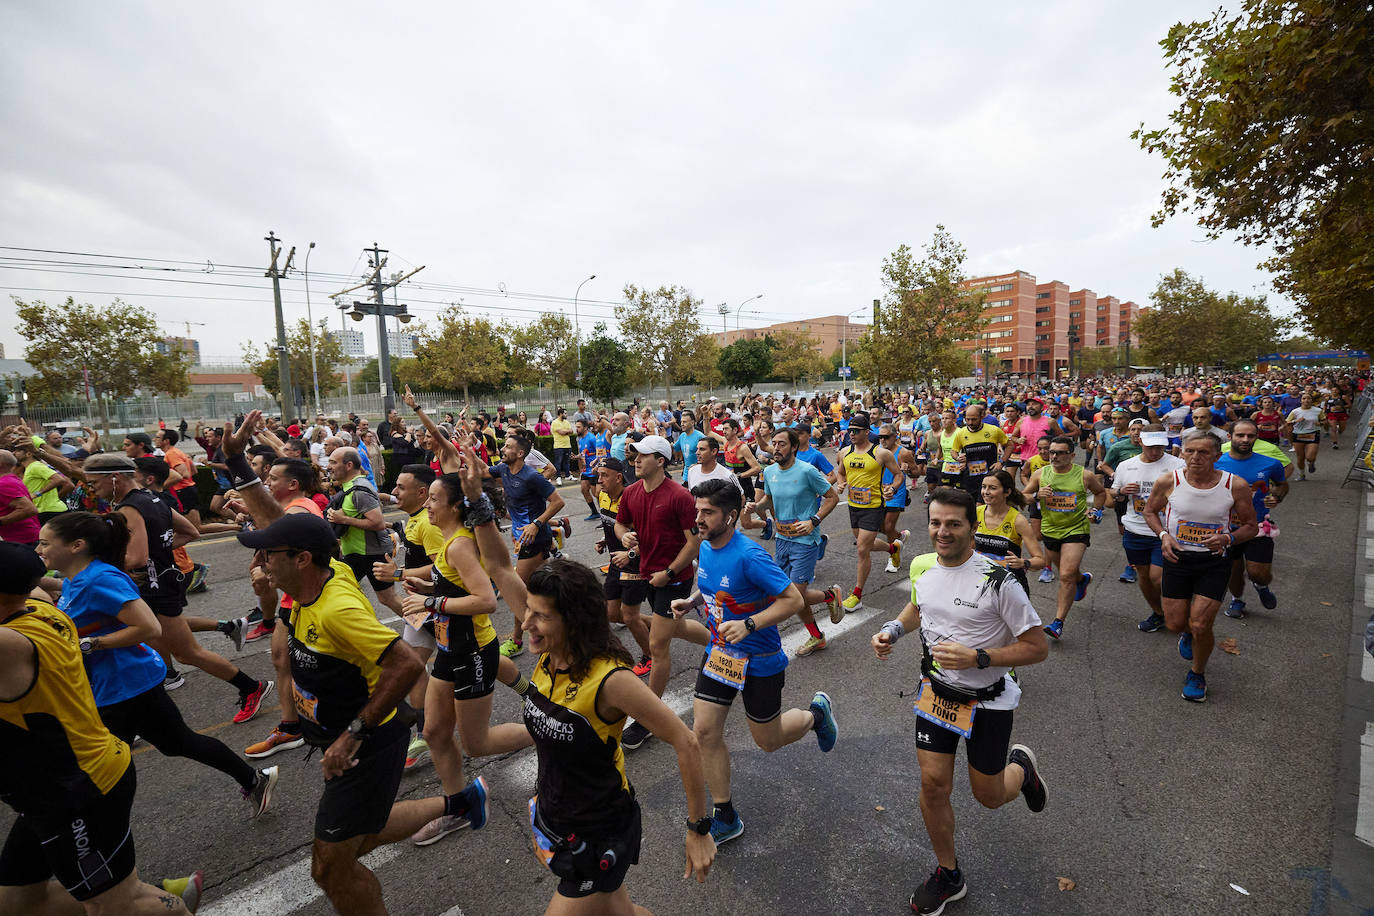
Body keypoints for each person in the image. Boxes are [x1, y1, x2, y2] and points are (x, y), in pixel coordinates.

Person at [870, 488, 1049, 915]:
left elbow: (1037, 647)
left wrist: (980, 657)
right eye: (935, 523)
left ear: (972, 526)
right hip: (935, 693)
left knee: (987, 796)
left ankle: (1021, 771)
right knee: (933, 785)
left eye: (953, 524)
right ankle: (948, 874)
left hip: (988, 701)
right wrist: (892, 631)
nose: (942, 532)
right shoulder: (925, 569)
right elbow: (920, 607)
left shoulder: (998, 580)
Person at [0, 543, 200, 915]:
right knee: (15, 901)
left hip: (78, 789)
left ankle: (161, 906)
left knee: (113, 904)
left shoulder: (10, 645)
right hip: (47, 792)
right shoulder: (40, 607)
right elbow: (34, 583)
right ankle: (157, 903)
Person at [37, 511, 278, 816]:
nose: (39, 549)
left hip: (125, 685)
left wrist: (89, 644)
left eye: (45, 543)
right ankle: (254, 779)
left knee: (101, 763)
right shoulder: (75, 578)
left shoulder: (99, 579)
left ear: (76, 545)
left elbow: (149, 628)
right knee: (176, 743)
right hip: (113, 684)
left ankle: (95, 833)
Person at [521, 559, 715, 913]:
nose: (525, 625)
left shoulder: (612, 681)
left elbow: (685, 740)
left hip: (599, 831)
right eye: (527, 611)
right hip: (559, 820)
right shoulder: (550, 657)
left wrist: (698, 830)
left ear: (574, 620)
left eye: (540, 616)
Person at [672, 479, 839, 846]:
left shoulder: (751, 555)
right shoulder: (706, 545)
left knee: (769, 740)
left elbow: (793, 600)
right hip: (720, 654)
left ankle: (816, 716)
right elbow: (718, 586)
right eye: (697, 510)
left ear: (731, 516)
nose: (698, 518)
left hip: (760, 659)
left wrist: (750, 624)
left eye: (707, 512)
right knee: (704, 733)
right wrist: (693, 600)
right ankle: (726, 815)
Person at [83, 453, 272, 719]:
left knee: (187, 653)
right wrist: (157, 548)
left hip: (154, 586)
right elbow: (191, 532)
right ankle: (142, 712)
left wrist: (93, 563)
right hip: (161, 581)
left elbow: (136, 558)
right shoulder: (153, 497)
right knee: (147, 644)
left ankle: (251, 687)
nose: (92, 489)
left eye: (93, 483)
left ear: (114, 478)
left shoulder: (129, 508)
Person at [399, 472, 534, 846]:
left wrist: (432, 601)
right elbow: (456, 584)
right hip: (449, 648)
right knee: (435, 732)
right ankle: (461, 806)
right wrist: (429, 587)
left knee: (475, 743)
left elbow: (488, 600)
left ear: (455, 506)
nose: (427, 504)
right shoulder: (446, 542)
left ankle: (554, 732)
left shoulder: (459, 544)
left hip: (473, 651)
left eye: (434, 500)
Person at [1143, 431, 1258, 702]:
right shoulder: (1169, 480)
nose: (1195, 457)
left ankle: (1197, 673)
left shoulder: (1235, 485)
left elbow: (1252, 526)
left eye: (1204, 452)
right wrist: (1163, 536)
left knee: (1201, 624)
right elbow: (1150, 511)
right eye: (1190, 451)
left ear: (1218, 456)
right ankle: (1186, 634)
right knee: (1175, 623)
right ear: (1181, 453)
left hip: (1214, 562)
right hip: (1177, 559)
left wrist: (1228, 538)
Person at [615, 436, 711, 751]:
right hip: (646, 572)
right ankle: (720, 642)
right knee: (674, 627)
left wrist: (668, 572)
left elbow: (693, 542)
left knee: (658, 645)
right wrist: (625, 536)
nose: (636, 459)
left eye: (643, 455)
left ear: (661, 461)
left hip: (674, 577)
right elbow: (620, 525)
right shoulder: (630, 492)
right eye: (634, 455)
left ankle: (648, 721)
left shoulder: (680, 497)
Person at [746, 427, 843, 657]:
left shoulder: (807, 471)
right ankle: (818, 634)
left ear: (794, 447)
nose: (776, 448)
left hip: (805, 540)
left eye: (782, 444)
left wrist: (814, 521)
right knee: (787, 594)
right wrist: (755, 507)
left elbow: (832, 497)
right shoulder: (769, 472)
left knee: (794, 597)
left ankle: (829, 598)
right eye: (775, 444)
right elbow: (769, 499)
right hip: (782, 539)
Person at [487, 431, 568, 658]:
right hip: (522, 540)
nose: (503, 449)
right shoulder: (503, 469)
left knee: (517, 592)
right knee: (541, 589)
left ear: (520, 453)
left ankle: (518, 640)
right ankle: (571, 619)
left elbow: (557, 501)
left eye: (509, 446)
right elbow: (482, 471)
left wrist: (536, 523)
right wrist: (465, 449)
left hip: (536, 539)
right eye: (504, 445)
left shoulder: (532, 476)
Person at [1021, 436, 1108, 641]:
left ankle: (1058, 622)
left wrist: (1095, 510)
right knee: (1069, 574)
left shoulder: (1084, 475)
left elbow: (1100, 492)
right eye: (1052, 452)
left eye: (1060, 452)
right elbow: (1022, 497)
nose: (1054, 456)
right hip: (1051, 529)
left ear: (1071, 455)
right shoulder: (1041, 474)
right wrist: (1036, 496)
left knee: (1066, 575)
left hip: (1076, 529)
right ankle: (1082, 579)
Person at [1109, 429, 1186, 634]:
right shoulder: (1126, 466)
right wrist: (1120, 492)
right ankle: (1158, 613)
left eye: (1160, 446)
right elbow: (1112, 496)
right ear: (1140, 442)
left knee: (1158, 577)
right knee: (1144, 576)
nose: (1155, 451)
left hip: (1166, 531)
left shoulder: (1177, 465)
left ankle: (1179, 611)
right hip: (1135, 529)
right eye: (1151, 446)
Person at [1216, 419, 1288, 620]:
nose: (1245, 439)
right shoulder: (1216, 462)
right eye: (1240, 435)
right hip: (1226, 528)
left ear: (1257, 437)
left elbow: (1282, 484)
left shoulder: (1270, 463)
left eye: (1250, 435)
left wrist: (1277, 497)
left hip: (1257, 526)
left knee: (1258, 572)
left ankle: (1261, 585)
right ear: (1230, 437)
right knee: (1234, 571)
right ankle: (1237, 599)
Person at [325, 446, 405, 622]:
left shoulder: (359, 490)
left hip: (371, 553)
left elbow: (377, 523)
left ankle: (427, 627)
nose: (328, 466)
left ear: (348, 465)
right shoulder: (349, 486)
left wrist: (343, 520)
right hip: (357, 553)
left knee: (388, 598)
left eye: (333, 462)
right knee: (340, 591)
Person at [835, 412, 905, 614]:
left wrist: (892, 488)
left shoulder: (881, 454)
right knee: (864, 543)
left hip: (874, 507)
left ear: (867, 432)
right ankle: (893, 549)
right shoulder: (845, 452)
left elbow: (899, 475)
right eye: (850, 431)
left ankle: (856, 595)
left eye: (856, 431)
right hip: (853, 506)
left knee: (862, 549)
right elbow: (841, 473)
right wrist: (840, 485)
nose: (852, 434)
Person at [595, 458, 654, 677]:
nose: (599, 480)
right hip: (615, 562)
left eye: (604, 475)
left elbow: (649, 536)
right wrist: (605, 539)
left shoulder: (633, 499)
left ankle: (651, 656)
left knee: (629, 616)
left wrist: (630, 554)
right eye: (599, 475)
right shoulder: (602, 495)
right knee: (611, 613)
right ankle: (658, 626)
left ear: (618, 477)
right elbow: (612, 523)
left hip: (635, 563)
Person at [973, 470, 1045, 591]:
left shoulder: (1018, 521)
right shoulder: (976, 513)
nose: (986, 492)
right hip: (980, 583)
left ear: (1007, 492)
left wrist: (1024, 563)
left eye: (992, 488)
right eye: (984, 487)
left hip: (1010, 586)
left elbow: (1040, 560)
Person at [0, 449, 40, 548]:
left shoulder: (3, 484)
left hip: (22, 541)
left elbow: (29, 509)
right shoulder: (11, 479)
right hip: (23, 539)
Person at [1284, 391, 1324, 480]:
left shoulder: (1318, 410)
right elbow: (1287, 423)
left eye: (1308, 398)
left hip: (1313, 434)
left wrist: (1320, 423)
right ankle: (1302, 475)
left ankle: (1311, 463)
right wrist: (1296, 421)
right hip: (1298, 435)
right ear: (1301, 401)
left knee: (1310, 457)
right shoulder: (1295, 411)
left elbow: (1324, 421)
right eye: (1304, 398)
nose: (1306, 400)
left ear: (1311, 400)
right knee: (1300, 457)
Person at [550, 408, 575, 484]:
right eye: (565, 413)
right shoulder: (555, 422)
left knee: (567, 462)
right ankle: (558, 477)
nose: (566, 415)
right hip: (559, 446)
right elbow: (561, 432)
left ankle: (568, 476)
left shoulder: (566, 422)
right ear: (560, 414)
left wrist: (565, 431)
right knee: (558, 462)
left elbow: (571, 431)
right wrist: (566, 431)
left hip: (567, 445)